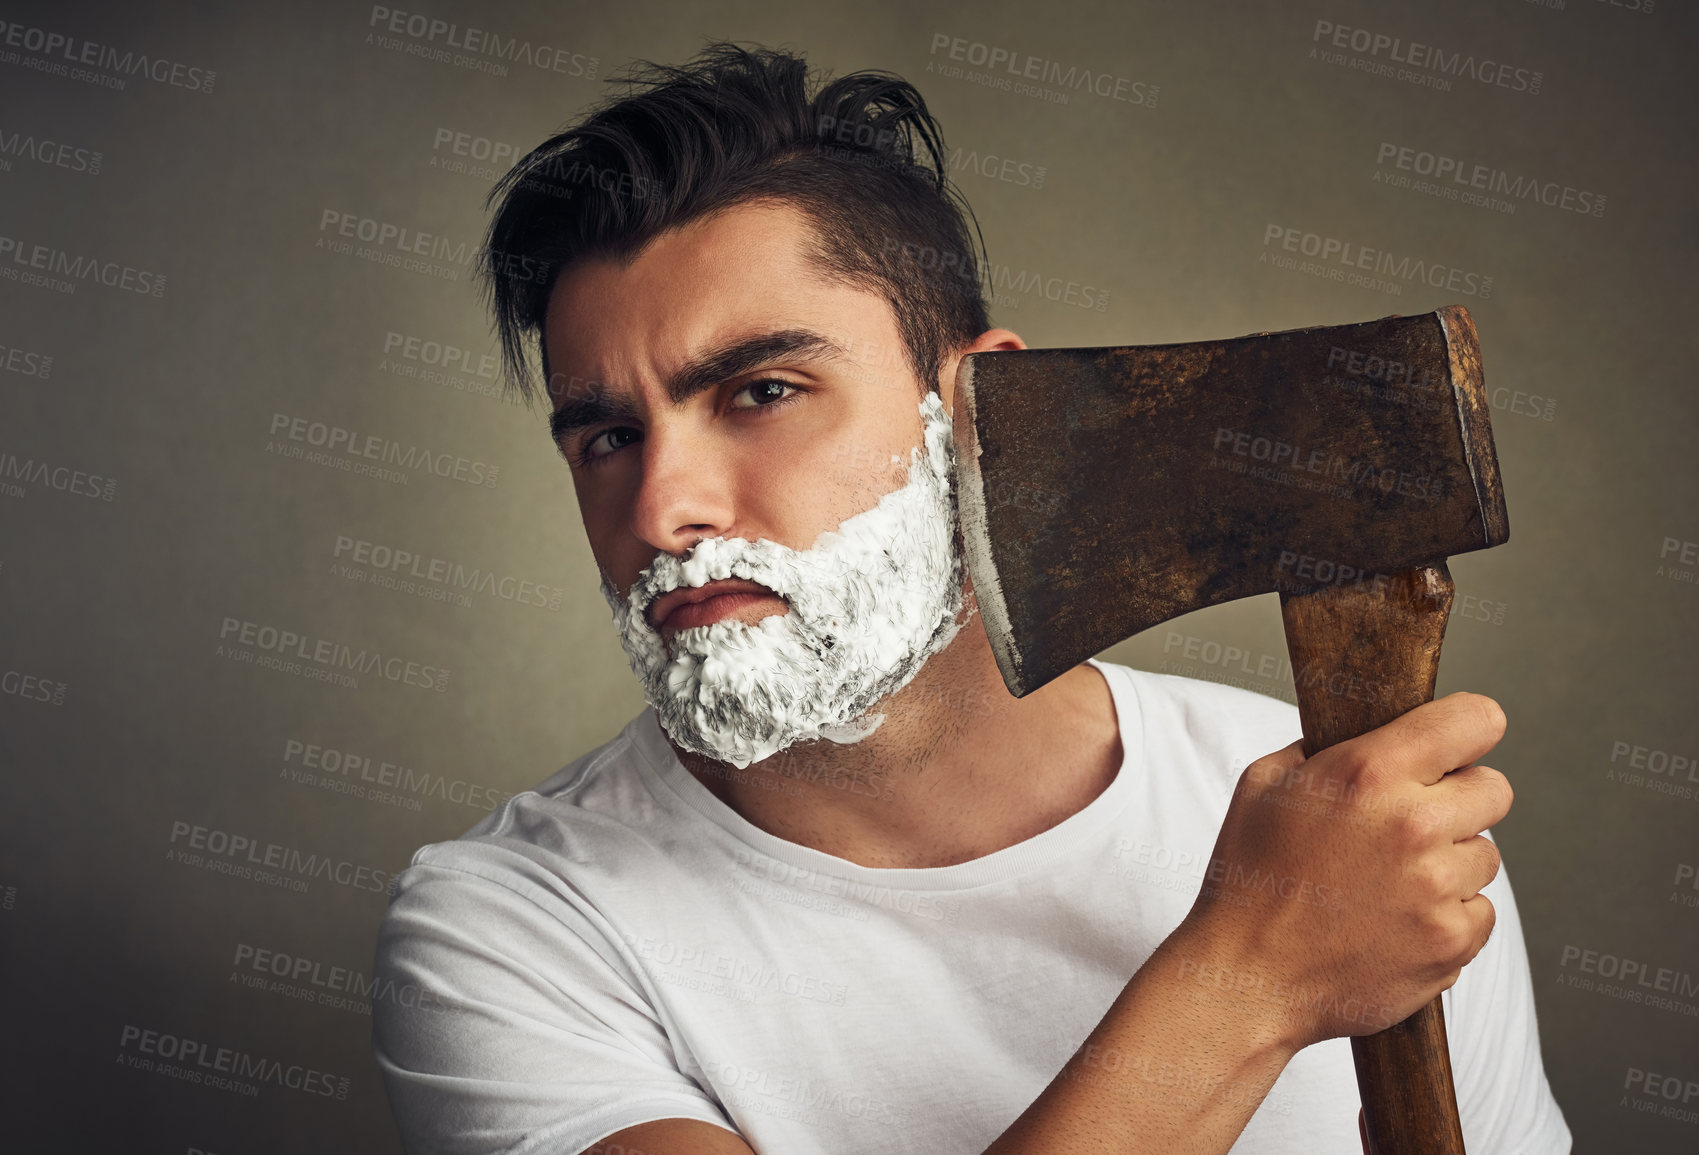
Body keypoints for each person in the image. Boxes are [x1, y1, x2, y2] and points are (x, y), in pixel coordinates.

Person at [371, 43, 1570, 1155]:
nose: (659, 509)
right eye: (607, 438)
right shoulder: (512, 932)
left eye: (763, 391)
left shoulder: (1359, 815)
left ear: (980, 417)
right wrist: (1254, 974)